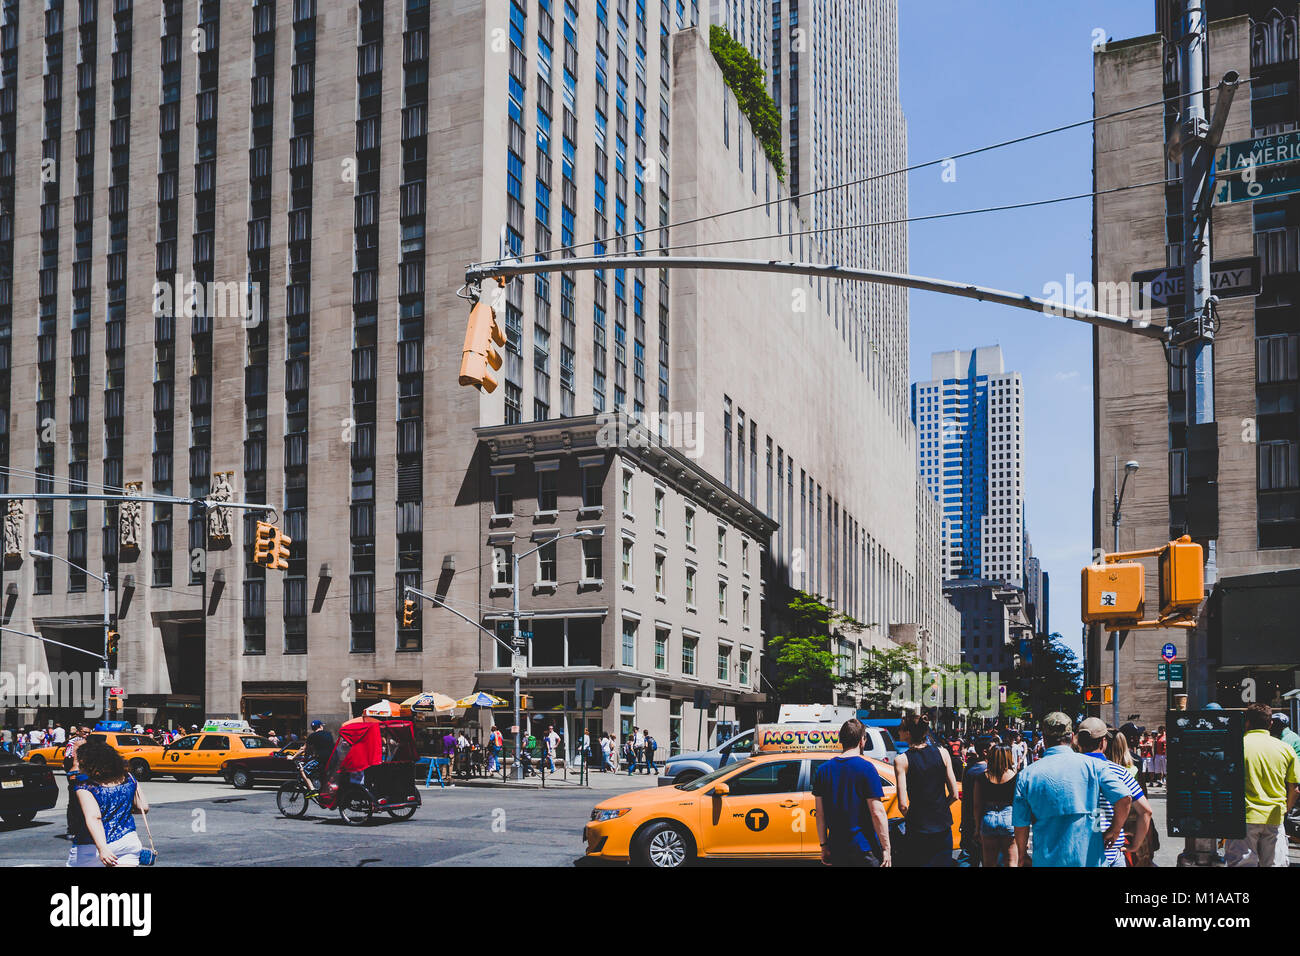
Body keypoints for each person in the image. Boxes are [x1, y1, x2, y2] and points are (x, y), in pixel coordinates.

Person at [1011, 712, 1132, 867]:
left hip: (1047, 861)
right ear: (1072, 736)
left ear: (1044, 738)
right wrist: (1115, 829)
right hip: (1090, 860)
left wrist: (1022, 855)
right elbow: (1124, 798)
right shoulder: (1094, 766)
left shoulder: (1027, 775)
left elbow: (1021, 823)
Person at [1225, 703, 1298, 867]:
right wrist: (1285, 808)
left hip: (1243, 818)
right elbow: (1295, 788)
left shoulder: (1236, 746)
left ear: (1247, 722)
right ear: (1270, 723)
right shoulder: (1285, 749)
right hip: (1274, 817)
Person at [812, 718, 891, 867]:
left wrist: (823, 845)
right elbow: (877, 812)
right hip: (864, 847)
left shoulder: (823, 770)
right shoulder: (867, 768)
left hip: (837, 847)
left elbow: (820, 813)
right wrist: (886, 848)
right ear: (862, 740)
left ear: (840, 739)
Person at [68, 740, 149, 867]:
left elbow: (94, 817)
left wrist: (103, 848)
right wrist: (120, 809)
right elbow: (143, 807)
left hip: (91, 846)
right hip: (128, 841)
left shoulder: (86, 786)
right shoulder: (129, 778)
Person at [893, 713, 959, 867]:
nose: (898, 732)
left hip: (918, 828)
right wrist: (940, 808)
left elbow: (903, 805)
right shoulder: (943, 753)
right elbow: (954, 794)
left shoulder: (902, 760)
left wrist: (915, 817)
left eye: (900, 729)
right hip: (942, 824)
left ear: (908, 733)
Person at [1102, 727, 1155, 867]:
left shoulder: (1102, 770)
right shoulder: (1133, 767)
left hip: (1109, 831)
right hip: (1134, 826)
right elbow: (1145, 808)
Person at [974, 743, 1019, 867]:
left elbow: (977, 805)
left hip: (988, 818)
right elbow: (1020, 804)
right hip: (1009, 817)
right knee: (1011, 862)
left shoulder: (982, 777)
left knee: (989, 863)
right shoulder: (1016, 777)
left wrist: (977, 828)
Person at [958, 737, 991, 867]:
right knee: (986, 856)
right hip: (981, 820)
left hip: (968, 819)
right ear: (985, 752)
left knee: (968, 855)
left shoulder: (969, 769)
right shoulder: (985, 772)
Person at [300, 720, 333, 788]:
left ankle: (312, 790)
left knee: (303, 770)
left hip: (321, 760)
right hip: (332, 759)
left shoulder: (312, 736)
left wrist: (293, 757)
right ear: (320, 726)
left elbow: (304, 749)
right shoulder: (329, 734)